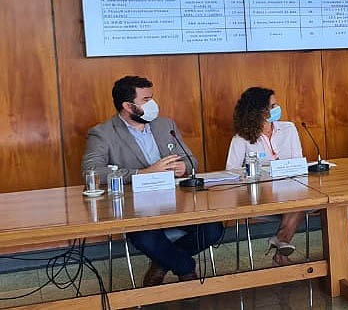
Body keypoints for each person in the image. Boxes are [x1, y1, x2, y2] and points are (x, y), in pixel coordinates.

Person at [81, 76, 223, 286]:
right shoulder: (103, 133)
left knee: (213, 229)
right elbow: (91, 171)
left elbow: (192, 161)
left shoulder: (165, 125)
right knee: (145, 237)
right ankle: (185, 267)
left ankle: (162, 263)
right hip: (136, 209)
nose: (153, 104)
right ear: (128, 106)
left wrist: (184, 167)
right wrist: (143, 173)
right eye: (146, 100)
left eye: (152, 98)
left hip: (177, 202)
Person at [226, 87, 306, 266]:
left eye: (276, 104)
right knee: (299, 202)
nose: (277, 108)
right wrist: (258, 172)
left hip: (289, 190)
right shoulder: (241, 138)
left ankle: (281, 241)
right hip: (259, 196)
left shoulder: (289, 129)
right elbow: (231, 172)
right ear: (258, 111)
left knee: (302, 199)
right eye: (272, 106)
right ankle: (281, 247)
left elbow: (298, 162)